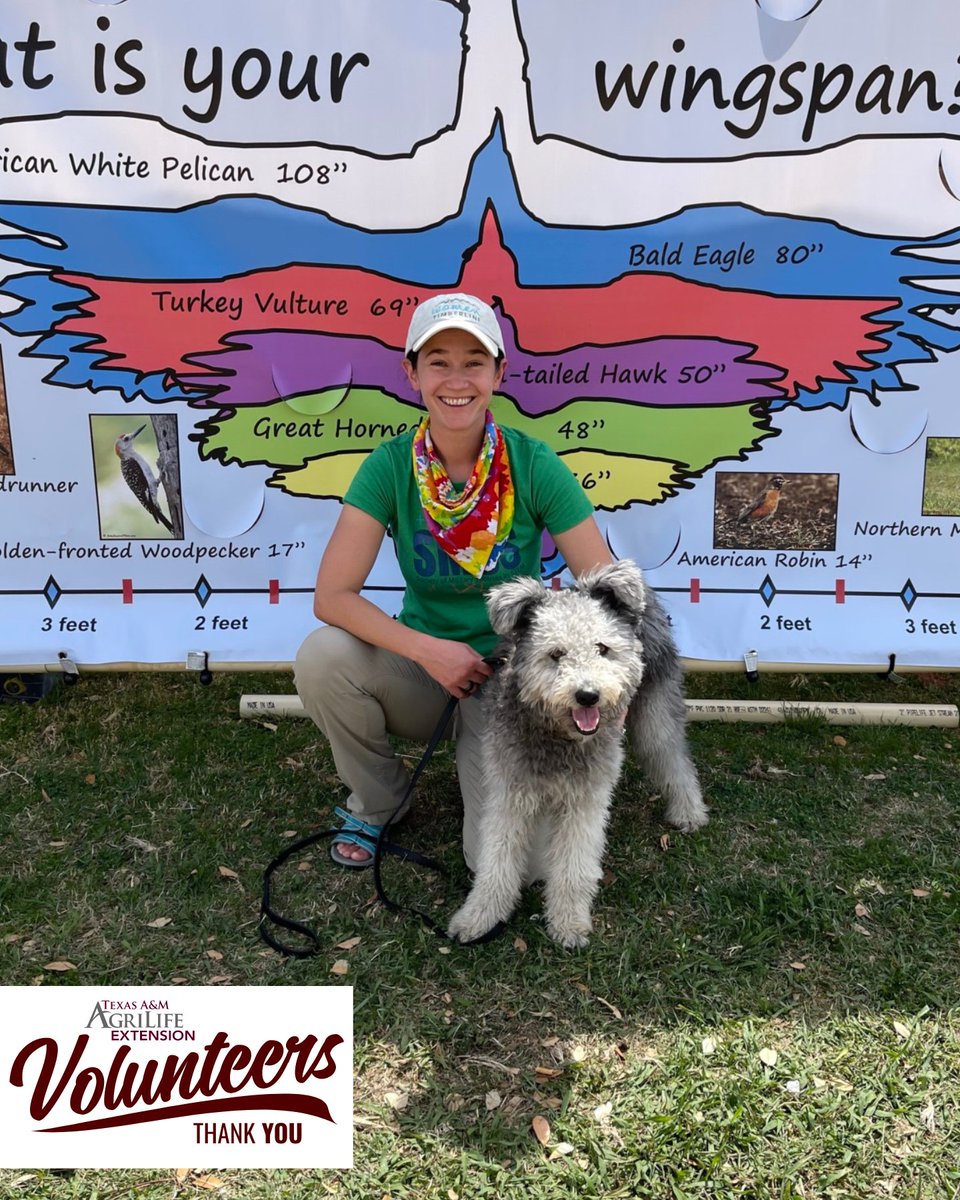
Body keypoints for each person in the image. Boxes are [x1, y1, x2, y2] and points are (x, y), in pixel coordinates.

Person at [294, 292, 613, 870]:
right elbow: (332, 597)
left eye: (474, 361)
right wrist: (432, 651)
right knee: (323, 657)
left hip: (510, 684)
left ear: (499, 373)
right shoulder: (389, 466)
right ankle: (380, 801)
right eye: (438, 360)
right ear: (411, 373)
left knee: (505, 863)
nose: (456, 378)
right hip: (422, 670)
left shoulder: (534, 463)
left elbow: (603, 590)